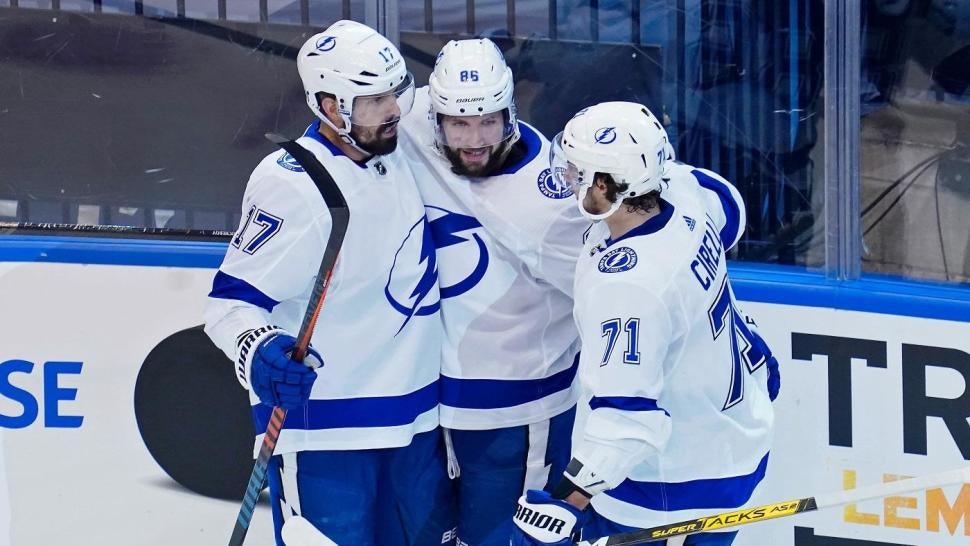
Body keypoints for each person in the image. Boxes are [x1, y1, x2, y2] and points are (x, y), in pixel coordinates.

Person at [203, 20, 454, 546]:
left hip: (414, 425)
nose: (393, 110)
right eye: (373, 100)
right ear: (329, 105)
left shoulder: (397, 146)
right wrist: (259, 350)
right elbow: (230, 306)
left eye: (395, 92)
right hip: (328, 432)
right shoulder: (292, 185)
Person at [510, 101, 781, 546]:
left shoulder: (628, 288)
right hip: (735, 436)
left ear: (607, 186)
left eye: (577, 172)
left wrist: (565, 500)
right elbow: (731, 210)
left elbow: (628, 420)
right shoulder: (680, 190)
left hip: (671, 481)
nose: (568, 179)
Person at [398, 38, 589, 545]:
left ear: (510, 111)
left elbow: (626, 285)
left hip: (522, 415)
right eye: (459, 123)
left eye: (489, 121)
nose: (475, 139)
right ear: (435, 115)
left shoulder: (556, 205)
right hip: (434, 404)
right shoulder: (413, 119)